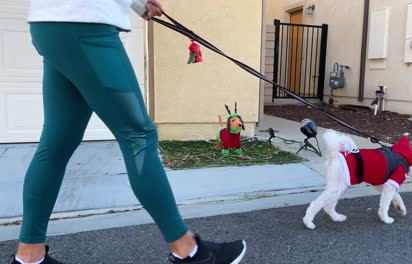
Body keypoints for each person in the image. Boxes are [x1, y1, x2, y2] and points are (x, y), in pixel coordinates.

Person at [9, 1, 247, 263]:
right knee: (139, 136)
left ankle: (29, 256)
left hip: (49, 24)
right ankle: (189, 251)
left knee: (57, 141)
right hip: (86, 23)